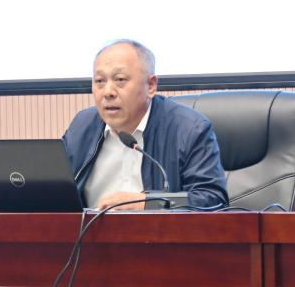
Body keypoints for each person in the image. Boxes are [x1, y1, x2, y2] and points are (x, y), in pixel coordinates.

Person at [62, 40, 228, 211]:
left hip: (158, 228)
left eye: (120, 79)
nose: (108, 92)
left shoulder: (189, 129)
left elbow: (213, 199)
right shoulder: (82, 127)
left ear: (151, 85)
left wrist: (148, 203)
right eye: (99, 81)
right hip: (89, 227)